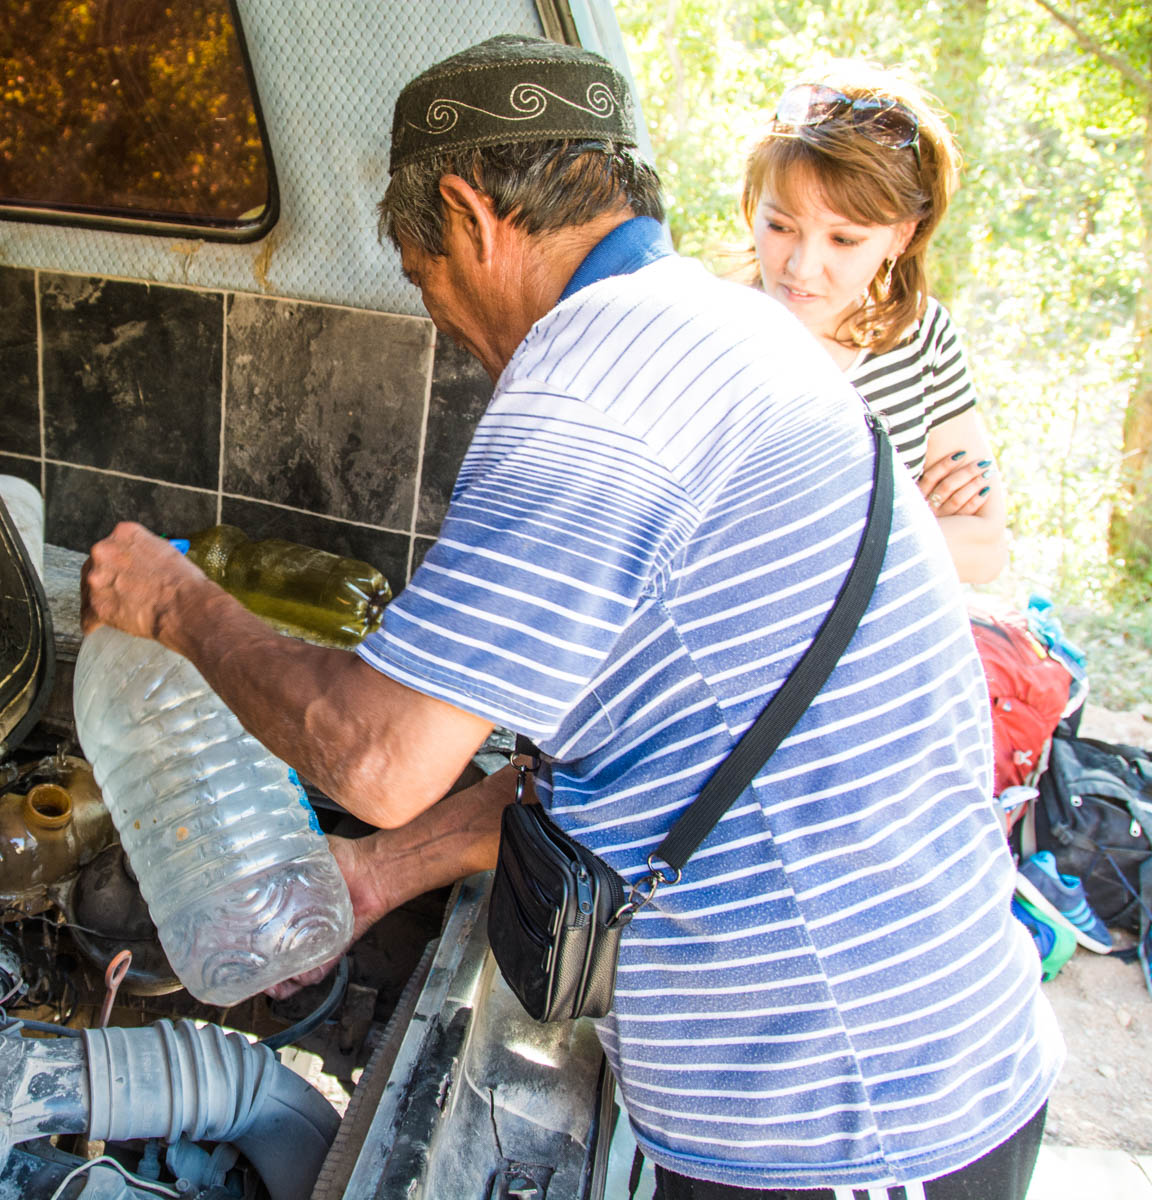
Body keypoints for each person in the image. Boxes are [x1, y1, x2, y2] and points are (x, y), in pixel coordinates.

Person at [82, 34, 1060, 1199]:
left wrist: (176, 603)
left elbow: (378, 756)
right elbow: (645, 761)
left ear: (470, 212)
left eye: (420, 269)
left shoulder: (589, 393)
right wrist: (378, 878)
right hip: (926, 1066)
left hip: (840, 1120)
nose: (439, 313)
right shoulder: (717, 329)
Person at [740, 64, 1009, 585]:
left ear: (902, 237)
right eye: (779, 226)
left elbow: (985, 549)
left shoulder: (923, 336)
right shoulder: (711, 338)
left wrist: (818, 541)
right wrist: (916, 523)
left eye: (844, 240)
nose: (801, 266)